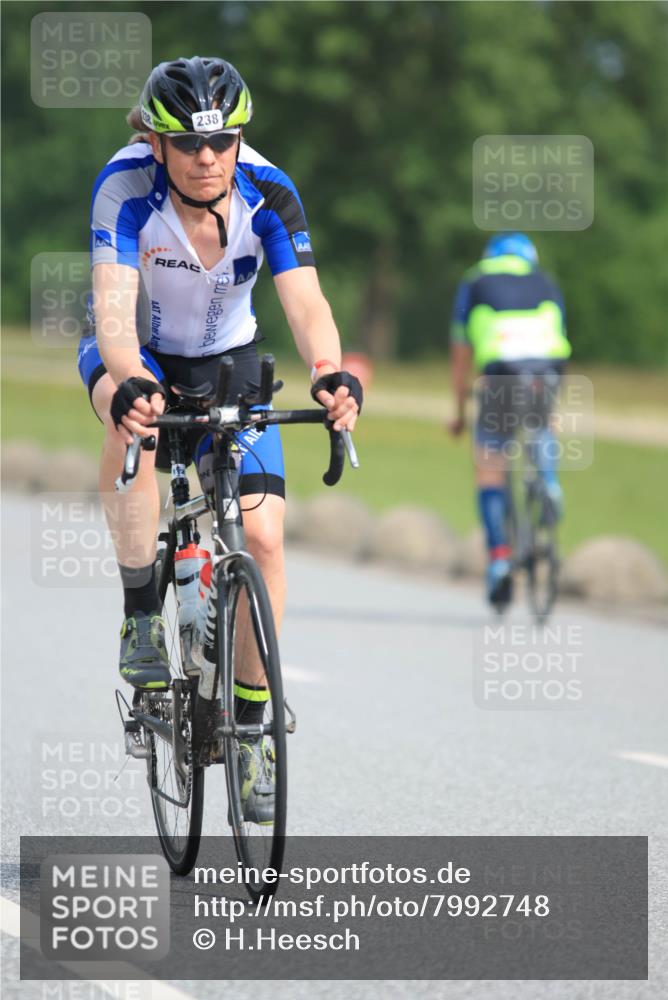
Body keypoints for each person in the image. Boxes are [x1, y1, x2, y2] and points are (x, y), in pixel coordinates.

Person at [77, 57, 362, 815]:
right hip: (136, 350)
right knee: (128, 416)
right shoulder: (124, 186)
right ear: (155, 142)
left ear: (239, 139)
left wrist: (330, 373)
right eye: (188, 144)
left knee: (263, 539)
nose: (207, 157)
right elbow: (113, 310)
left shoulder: (270, 190)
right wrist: (131, 379)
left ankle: (251, 724)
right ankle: (142, 611)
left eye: (221, 141)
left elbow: (305, 302)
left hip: (229, 359)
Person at [448, 232, 571, 605]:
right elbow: (558, 338)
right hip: (547, 369)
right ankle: (548, 481)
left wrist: (459, 411)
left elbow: (461, 353)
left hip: (502, 371)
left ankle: (500, 559)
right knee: (541, 423)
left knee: (490, 467)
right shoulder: (545, 281)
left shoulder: (475, 281)